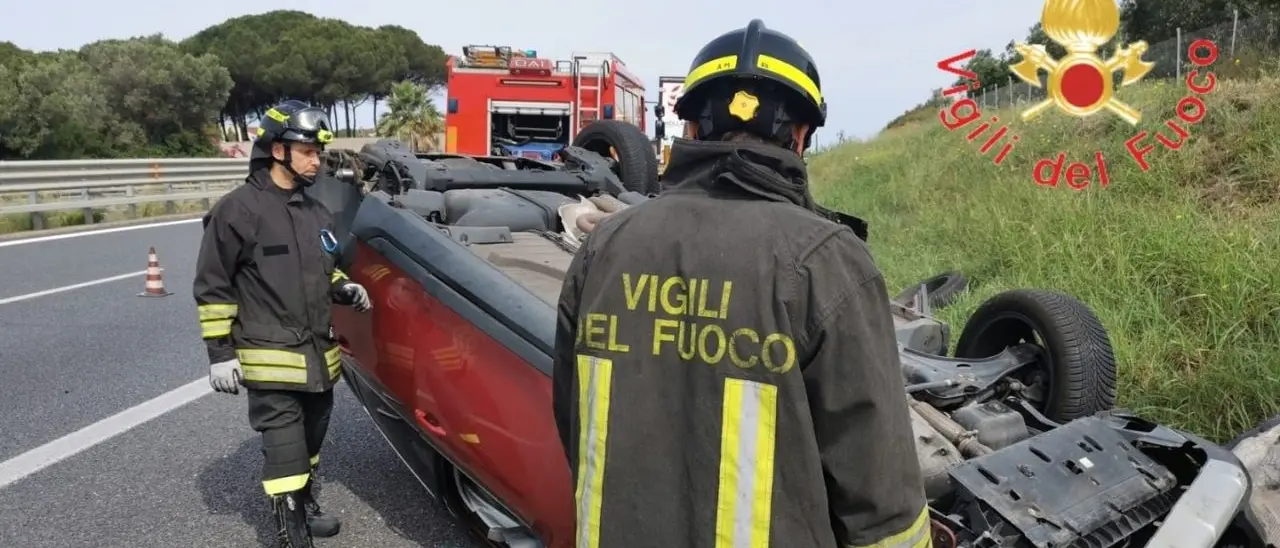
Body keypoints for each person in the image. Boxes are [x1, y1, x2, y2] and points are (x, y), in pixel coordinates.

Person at [551, 19, 932, 548]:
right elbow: (881, 501)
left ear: (690, 130)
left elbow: (573, 421)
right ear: (800, 137)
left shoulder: (603, 247)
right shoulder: (826, 261)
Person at [193, 100, 372, 548]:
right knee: (286, 451)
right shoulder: (237, 211)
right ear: (277, 151)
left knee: (311, 442)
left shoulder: (315, 213)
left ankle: (304, 506)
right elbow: (213, 286)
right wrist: (219, 354)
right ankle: (291, 535)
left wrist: (343, 286)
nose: (318, 160)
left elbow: (323, 267)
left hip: (318, 357)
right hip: (269, 358)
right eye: (308, 151)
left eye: (319, 152)